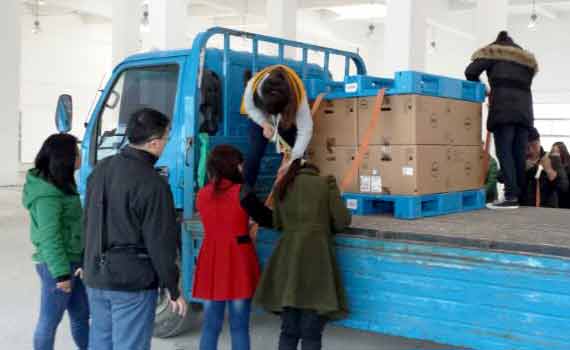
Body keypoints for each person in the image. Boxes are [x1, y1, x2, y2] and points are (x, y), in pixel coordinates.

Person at [83, 108, 186, 350]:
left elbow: (88, 220)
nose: (166, 144)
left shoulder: (101, 169)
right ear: (153, 143)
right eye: (167, 138)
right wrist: (173, 288)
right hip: (131, 283)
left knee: (100, 344)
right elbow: (161, 243)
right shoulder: (153, 184)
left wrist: (83, 261)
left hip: (96, 277)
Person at [254, 159, 351, 350]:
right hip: (318, 262)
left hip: (286, 264)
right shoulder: (325, 183)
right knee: (311, 334)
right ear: (314, 169)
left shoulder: (283, 186)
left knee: (288, 331)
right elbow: (342, 221)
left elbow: (278, 223)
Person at [193, 145, 273, 350]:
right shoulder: (242, 192)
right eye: (240, 165)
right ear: (232, 166)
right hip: (238, 260)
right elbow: (268, 219)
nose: (242, 168)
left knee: (210, 325)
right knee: (239, 326)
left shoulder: (202, 194)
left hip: (211, 260)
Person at [22, 133, 89, 350]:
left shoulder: (61, 184)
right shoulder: (47, 195)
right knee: (49, 321)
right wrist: (61, 274)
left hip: (74, 261)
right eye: (77, 153)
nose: (80, 156)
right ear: (66, 159)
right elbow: (49, 237)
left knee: (81, 315)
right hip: (58, 266)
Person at [465, 31, 539, 209]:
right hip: (524, 112)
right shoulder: (526, 60)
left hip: (503, 110)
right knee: (518, 153)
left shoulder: (494, 53)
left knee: (504, 152)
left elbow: (470, 72)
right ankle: (517, 195)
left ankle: (510, 196)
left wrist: (482, 87)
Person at [241, 65, 313, 187]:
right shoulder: (253, 86)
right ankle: (244, 193)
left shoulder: (298, 94)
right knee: (254, 152)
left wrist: (292, 160)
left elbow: (305, 129)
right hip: (259, 116)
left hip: (285, 116)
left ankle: (288, 191)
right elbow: (250, 108)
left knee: (291, 152)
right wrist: (264, 123)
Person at [520, 128, 569, 208]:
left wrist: (549, 170)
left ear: (539, 141)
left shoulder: (552, 158)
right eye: (526, 147)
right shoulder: (520, 159)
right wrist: (521, 168)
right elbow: (500, 177)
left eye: (533, 145)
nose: (531, 150)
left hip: (547, 210)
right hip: (523, 209)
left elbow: (564, 186)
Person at [551, 141, 570, 209]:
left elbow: (564, 187)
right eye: (552, 151)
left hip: (565, 202)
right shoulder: (550, 164)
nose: (554, 154)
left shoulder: (567, 167)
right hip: (554, 201)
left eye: (556, 152)